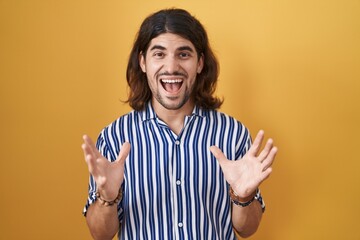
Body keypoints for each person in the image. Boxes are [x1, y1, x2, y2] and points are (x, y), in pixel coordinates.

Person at [82, 8, 277, 240]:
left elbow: (247, 229)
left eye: (183, 54)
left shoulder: (232, 134)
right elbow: (100, 234)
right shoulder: (114, 137)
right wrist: (107, 197)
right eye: (159, 54)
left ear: (200, 63)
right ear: (143, 62)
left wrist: (244, 197)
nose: (172, 67)